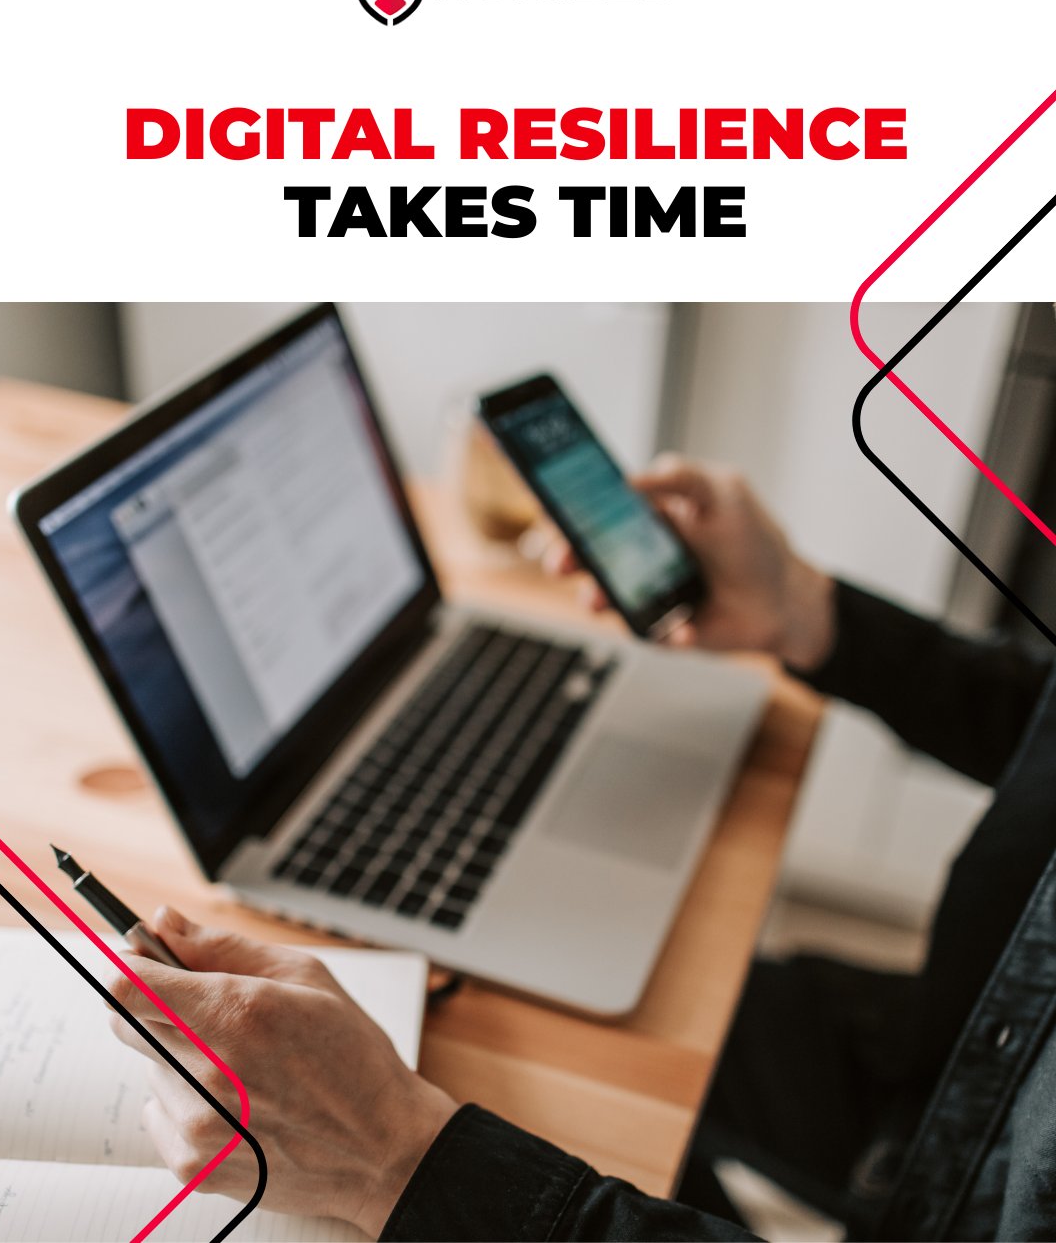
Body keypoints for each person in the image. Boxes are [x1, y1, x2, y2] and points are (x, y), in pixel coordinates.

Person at [106, 456, 1056, 1242]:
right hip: (960, 1033)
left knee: (587, 1095)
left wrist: (400, 1158)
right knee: (659, 1051)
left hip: (971, 1186)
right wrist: (812, 617)